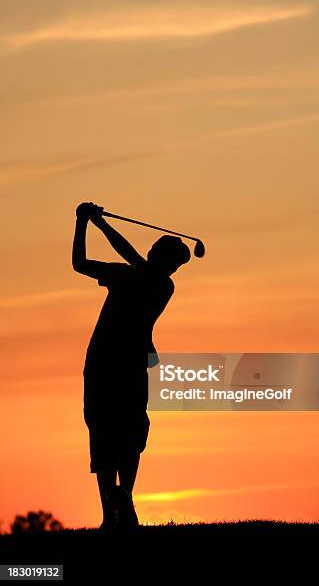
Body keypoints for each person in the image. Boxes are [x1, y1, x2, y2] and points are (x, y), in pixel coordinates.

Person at [72, 202, 191, 531]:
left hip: (102, 363)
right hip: (131, 364)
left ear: (162, 259)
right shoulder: (162, 285)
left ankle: (112, 511)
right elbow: (91, 262)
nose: (149, 250)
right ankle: (123, 496)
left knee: (106, 432)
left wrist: (87, 222)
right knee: (127, 434)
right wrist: (91, 222)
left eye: (155, 248)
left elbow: (79, 263)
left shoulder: (144, 279)